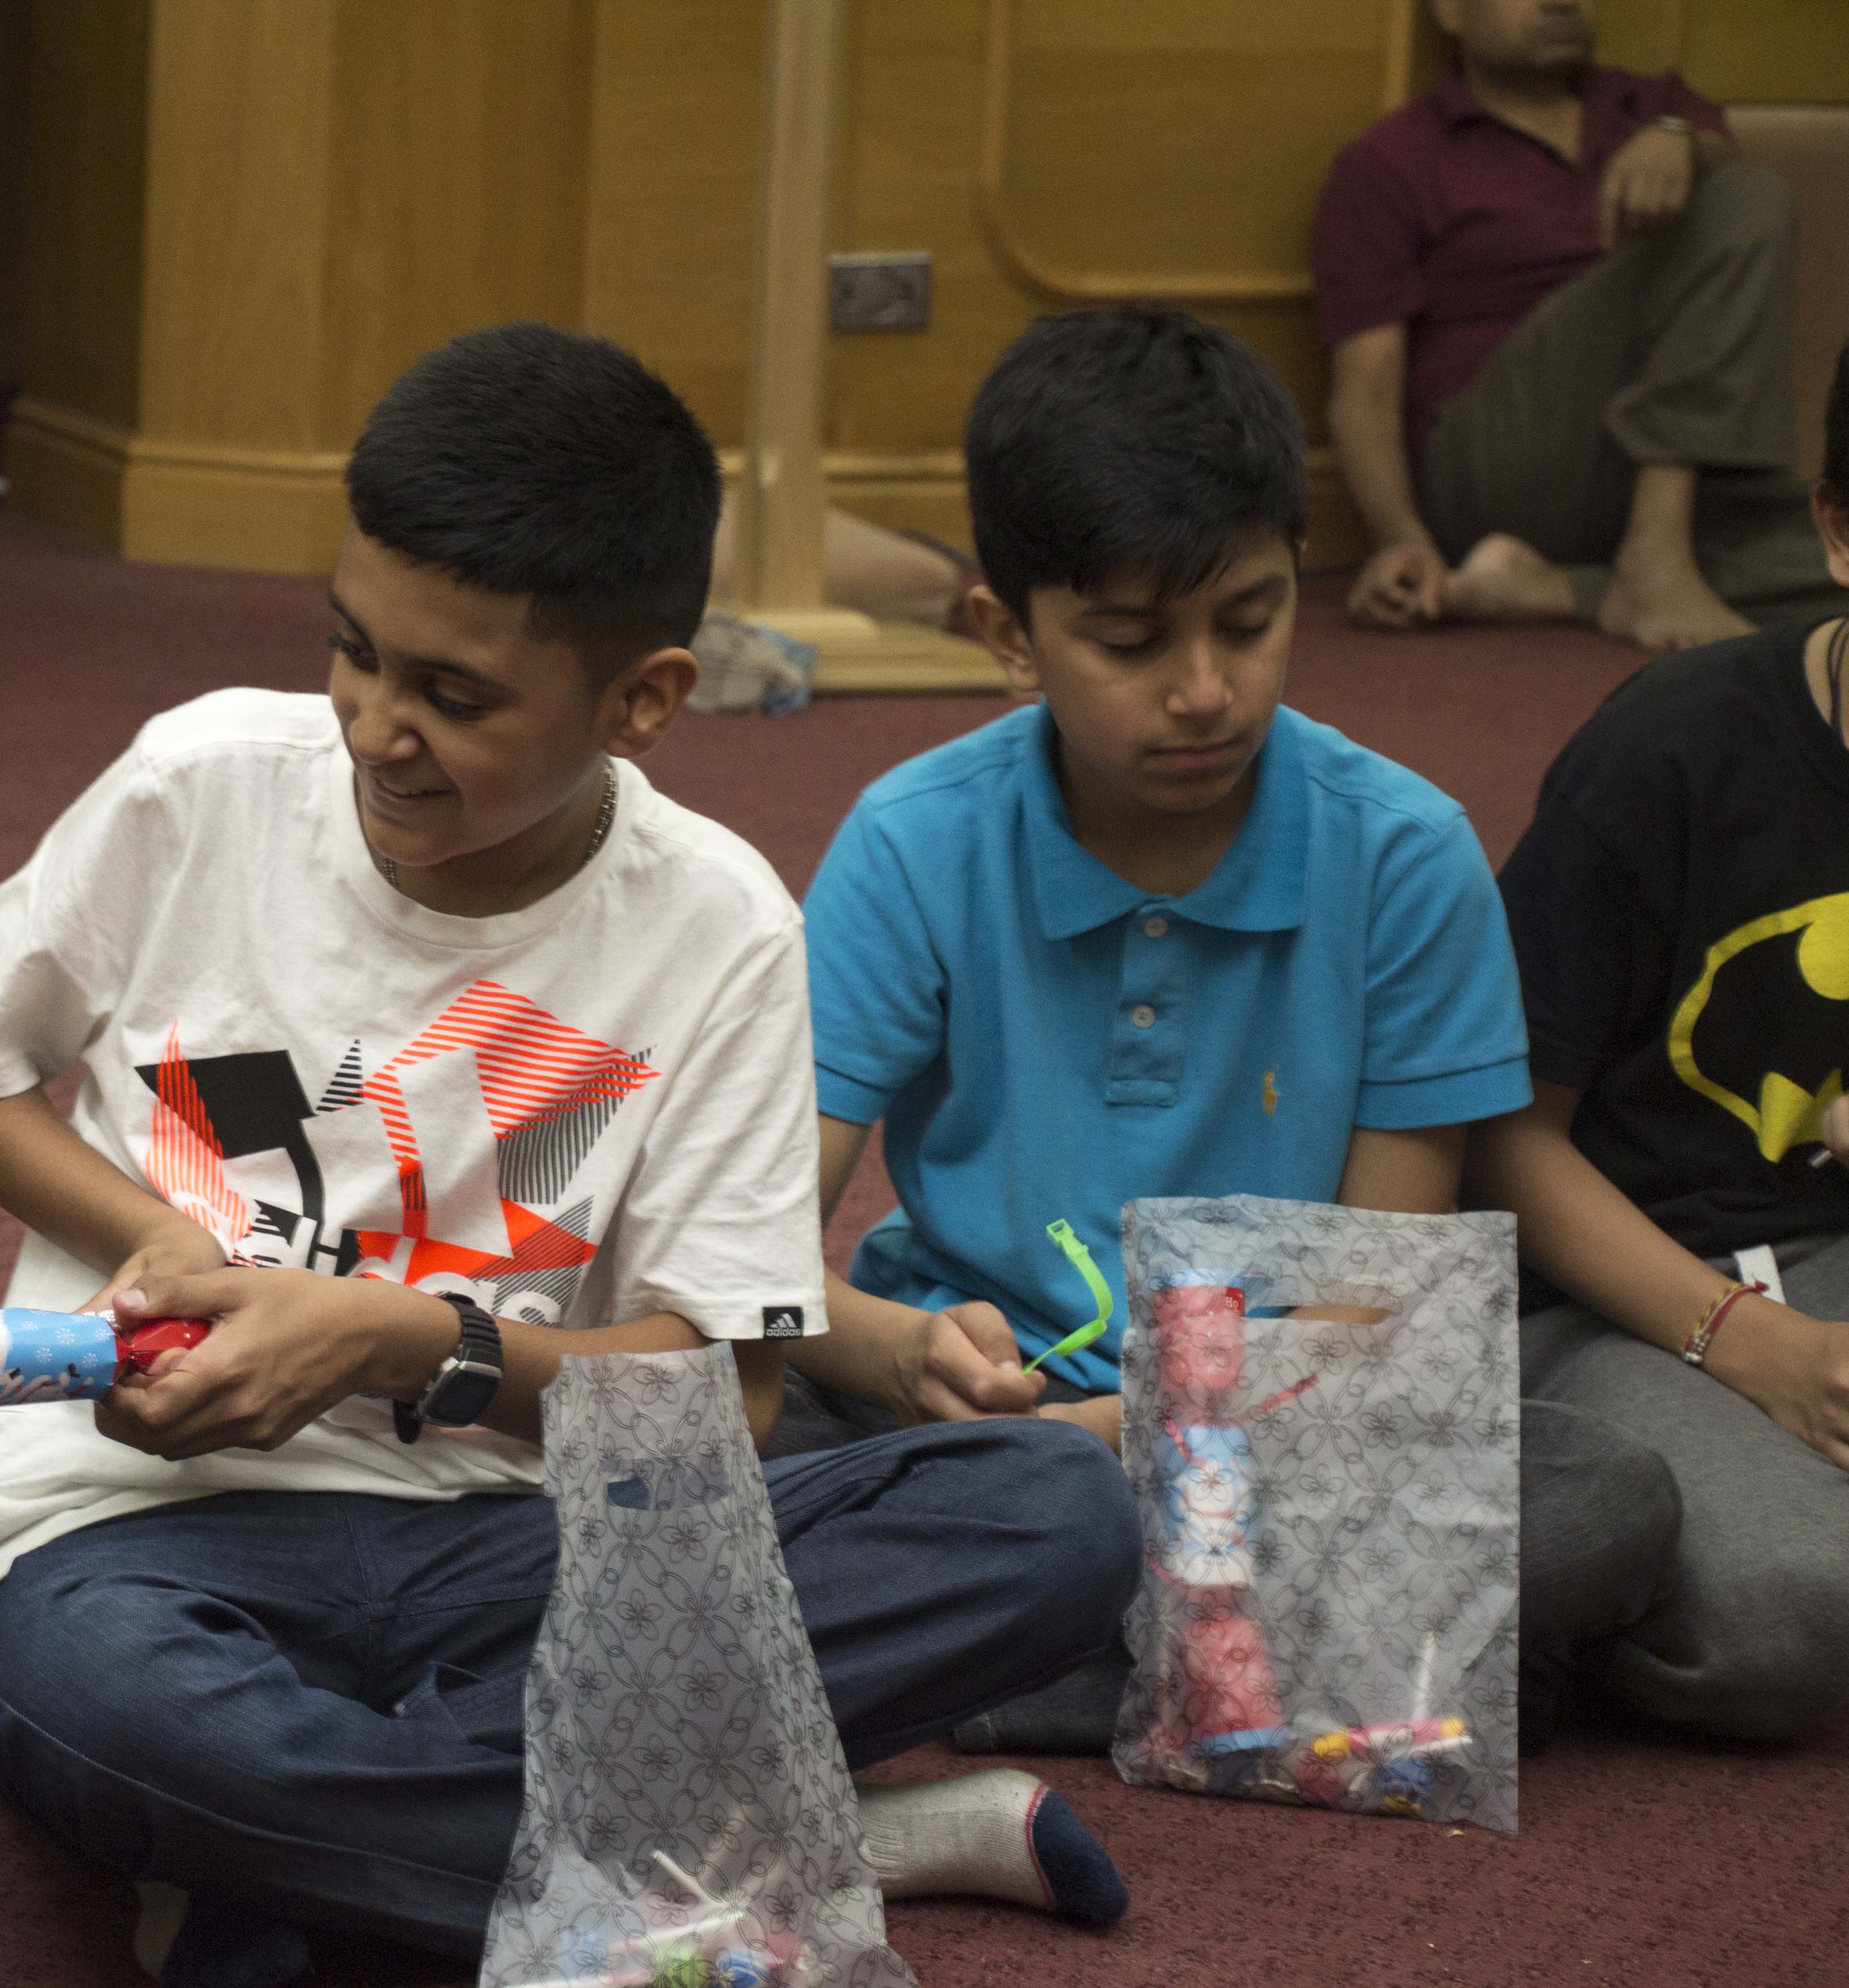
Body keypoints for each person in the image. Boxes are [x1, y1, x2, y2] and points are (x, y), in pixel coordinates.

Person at [0, 322, 1141, 1988]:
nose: (376, 728)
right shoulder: (204, 784)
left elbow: (731, 1406)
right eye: (357, 652)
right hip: (137, 1531)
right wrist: (177, 1258)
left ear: (645, 700)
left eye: (455, 697)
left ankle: (306, 1865)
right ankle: (816, 1847)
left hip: (515, 1547)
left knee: (1054, 1511)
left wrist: (415, 1344)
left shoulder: (720, 929)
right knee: (90, 1705)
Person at [773, 307, 1571, 1753]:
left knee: (1612, 1503)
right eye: (1131, 641)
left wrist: (1158, 1434)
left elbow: (1374, 1310)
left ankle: (971, 1672)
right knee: (672, 1427)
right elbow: (744, 1251)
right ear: (1004, 635)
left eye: (1250, 622)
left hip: (1286, 1425)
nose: (1204, 690)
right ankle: (1206, 1671)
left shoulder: (1401, 851)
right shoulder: (914, 839)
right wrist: (895, 1348)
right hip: (968, 1423)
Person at [1458, 337, 1849, 1746]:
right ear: (1835, 531)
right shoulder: (1673, 748)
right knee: (1785, 1616)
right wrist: (1740, 1339)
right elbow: (1498, 1136)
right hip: (1627, 1288)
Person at [1314, 0, 1847, 652]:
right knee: (1749, 193)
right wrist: (1403, 540)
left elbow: (1725, 214)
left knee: (1837, 551)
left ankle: (1562, 587)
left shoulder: (1655, 104)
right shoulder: (1389, 161)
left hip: (1655, 472)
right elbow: (1363, 395)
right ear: (1450, 10)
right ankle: (1654, 566)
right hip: (1500, 463)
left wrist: (1678, 139)